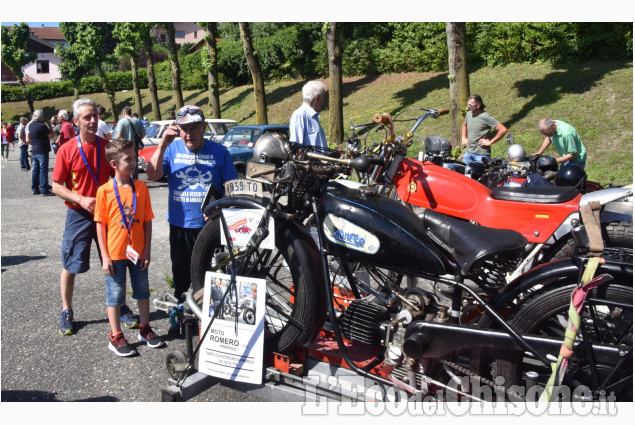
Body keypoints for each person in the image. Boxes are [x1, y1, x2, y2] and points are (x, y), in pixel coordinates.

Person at [51, 98, 137, 335]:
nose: (92, 121)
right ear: (76, 121)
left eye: (94, 116)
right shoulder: (67, 148)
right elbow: (56, 186)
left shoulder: (106, 146)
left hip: (107, 214)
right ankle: (66, 310)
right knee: (71, 264)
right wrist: (80, 199)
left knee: (116, 261)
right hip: (78, 213)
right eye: (86, 117)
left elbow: (120, 175)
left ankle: (120, 306)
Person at [146, 105, 238, 303]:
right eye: (184, 129)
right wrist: (163, 143)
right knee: (181, 275)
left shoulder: (220, 151)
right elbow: (152, 175)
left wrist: (221, 207)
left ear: (204, 127)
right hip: (181, 225)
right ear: (177, 129)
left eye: (194, 128)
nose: (189, 134)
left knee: (213, 276)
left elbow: (232, 187)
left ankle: (210, 319)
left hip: (211, 226)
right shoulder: (171, 148)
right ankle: (184, 317)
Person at [95, 139, 164, 356]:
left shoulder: (142, 188)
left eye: (135, 157)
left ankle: (145, 328)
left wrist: (147, 251)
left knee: (142, 290)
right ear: (114, 164)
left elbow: (147, 221)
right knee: (115, 294)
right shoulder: (104, 191)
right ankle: (115, 335)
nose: (134, 162)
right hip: (115, 253)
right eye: (128, 159)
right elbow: (100, 224)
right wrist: (104, 256)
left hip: (138, 253)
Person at [461, 94, 508, 164]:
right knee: (465, 174)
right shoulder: (468, 114)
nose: (468, 106)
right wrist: (464, 137)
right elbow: (464, 125)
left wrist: (490, 142)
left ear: (478, 105)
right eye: (468, 104)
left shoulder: (486, 117)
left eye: (470, 105)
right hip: (468, 154)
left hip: (481, 156)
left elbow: (503, 130)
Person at [289, 80, 328, 149]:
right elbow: (296, 147)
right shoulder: (300, 115)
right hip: (312, 160)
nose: (323, 100)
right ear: (317, 98)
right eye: (323, 97)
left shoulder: (313, 116)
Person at [26, 110, 54, 195]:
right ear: (40, 117)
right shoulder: (42, 126)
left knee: (36, 170)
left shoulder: (30, 125)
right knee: (43, 170)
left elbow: (29, 138)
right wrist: (50, 125)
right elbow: (51, 135)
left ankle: (35, 188)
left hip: (35, 149)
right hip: (42, 149)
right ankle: (44, 189)